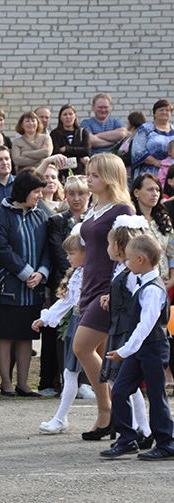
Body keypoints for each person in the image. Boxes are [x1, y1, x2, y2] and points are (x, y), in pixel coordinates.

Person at [73, 153, 135, 440]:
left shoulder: (123, 210)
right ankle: (107, 418)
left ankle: (109, 413)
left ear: (109, 177)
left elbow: (128, 256)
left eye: (95, 174)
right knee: (95, 353)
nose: (89, 178)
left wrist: (114, 290)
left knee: (82, 348)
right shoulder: (96, 207)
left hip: (107, 290)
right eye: (89, 173)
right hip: (89, 285)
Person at [100, 234, 174, 460]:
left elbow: (145, 326)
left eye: (129, 259)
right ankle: (127, 439)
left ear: (141, 259)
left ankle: (166, 444)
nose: (126, 263)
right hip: (140, 348)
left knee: (155, 393)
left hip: (152, 348)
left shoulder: (152, 289)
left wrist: (124, 351)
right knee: (121, 390)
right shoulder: (142, 281)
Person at [0, 170, 51, 396]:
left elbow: (48, 248)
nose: (40, 196)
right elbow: (1, 248)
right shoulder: (1, 214)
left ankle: (23, 384)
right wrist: (26, 273)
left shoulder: (40, 214)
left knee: (27, 336)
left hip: (34, 290)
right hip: (8, 288)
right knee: (5, 336)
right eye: (36, 191)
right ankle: (6, 384)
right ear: (24, 191)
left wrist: (41, 273)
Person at [96, 220, 153, 446]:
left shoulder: (131, 273)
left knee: (122, 382)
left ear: (118, 246)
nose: (107, 247)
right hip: (117, 328)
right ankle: (139, 429)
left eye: (109, 243)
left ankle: (140, 429)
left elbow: (137, 297)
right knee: (117, 381)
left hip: (124, 330)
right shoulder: (122, 270)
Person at [39, 174, 90, 396]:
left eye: (81, 193)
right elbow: (60, 255)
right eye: (71, 193)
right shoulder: (56, 221)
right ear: (65, 195)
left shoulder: (95, 220)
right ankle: (53, 382)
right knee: (57, 334)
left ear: (89, 195)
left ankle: (86, 383)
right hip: (63, 283)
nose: (76, 198)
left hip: (91, 285)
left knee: (88, 334)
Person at [32, 232, 85, 434]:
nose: (68, 258)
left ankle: (135, 421)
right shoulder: (77, 274)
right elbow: (67, 302)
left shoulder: (96, 273)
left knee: (110, 375)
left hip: (94, 326)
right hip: (77, 324)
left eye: (72, 253)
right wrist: (45, 318)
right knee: (70, 372)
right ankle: (60, 418)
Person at [131, 174, 174, 293]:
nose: (155, 193)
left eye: (157, 190)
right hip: (138, 285)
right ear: (136, 193)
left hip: (164, 284)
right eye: (150, 189)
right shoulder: (130, 221)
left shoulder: (164, 219)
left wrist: (172, 279)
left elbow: (172, 252)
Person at [132, 99, 174, 180]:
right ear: (154, 113)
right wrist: (155, 162)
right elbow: (137, 151)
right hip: (149, 173)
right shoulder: (145, 129)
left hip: (170, 174)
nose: (164, 112)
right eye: (161, 110)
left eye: (167, 110)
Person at [50, 104, 91, 177]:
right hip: (62, 172)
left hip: (80, 171)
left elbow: (86, 150)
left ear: (75, 116)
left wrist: (66, 149)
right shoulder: (54, 134)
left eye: (70, 114)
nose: (68, 117)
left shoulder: (83, 132)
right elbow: (56, 152)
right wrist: (78, 153)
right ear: (60, 118)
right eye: (65, 114)